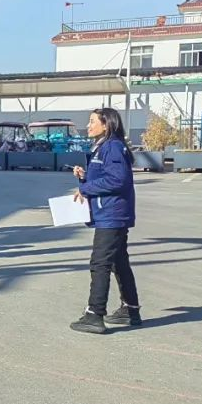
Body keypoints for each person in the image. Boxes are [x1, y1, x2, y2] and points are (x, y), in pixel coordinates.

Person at [70, 107, 141, 335]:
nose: (88, 126)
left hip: (112, 215)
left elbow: (117, 180)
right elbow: (106, 176)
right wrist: (85, 176)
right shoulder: (104, 147)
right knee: (118, 262)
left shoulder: (112, 147)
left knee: (99, 263)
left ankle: (94, 314)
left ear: (106, 124)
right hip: (111, 213)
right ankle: (130, 309)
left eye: (92, 121)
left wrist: (87, 188)